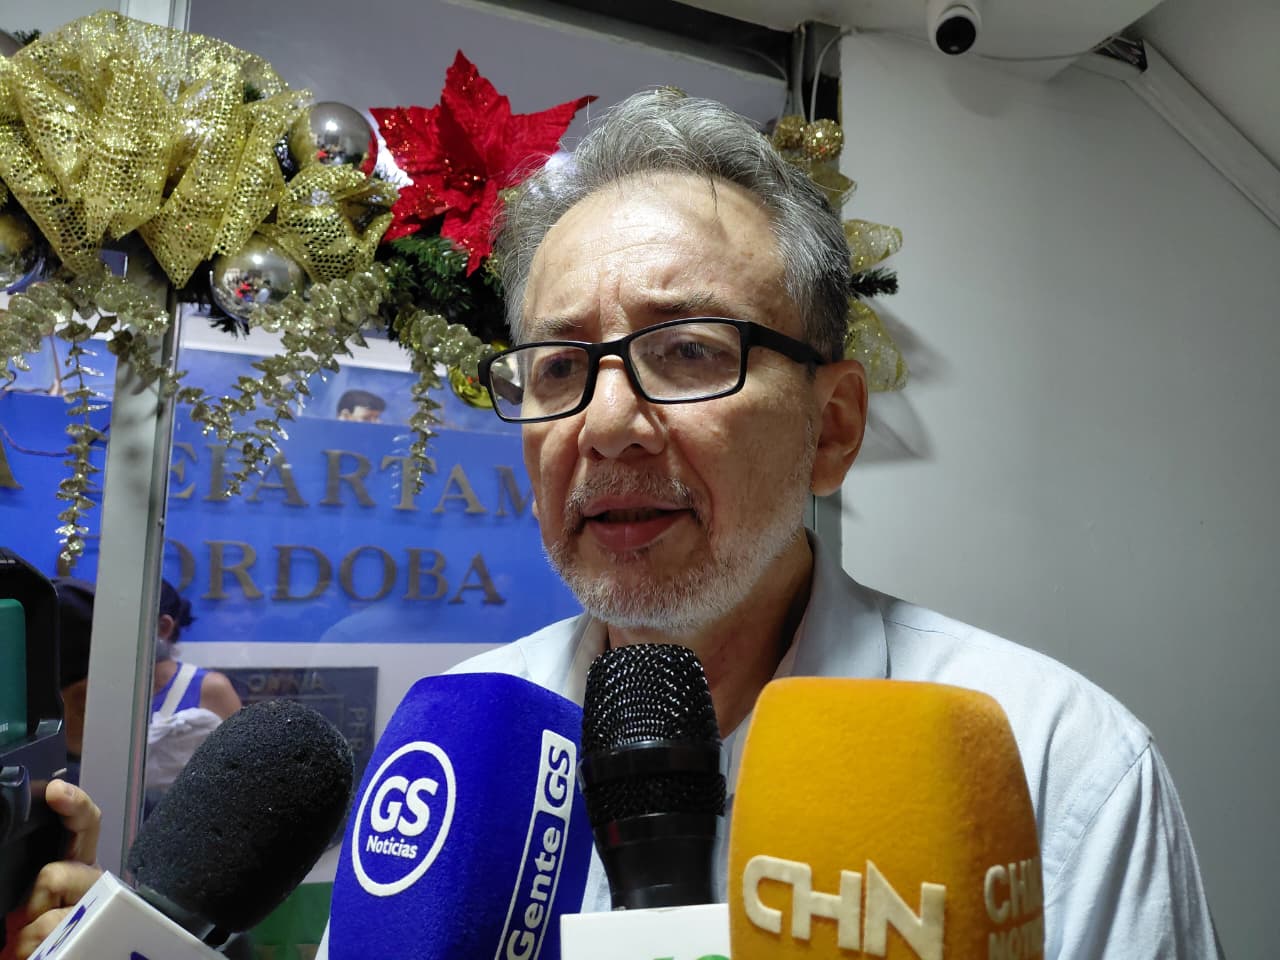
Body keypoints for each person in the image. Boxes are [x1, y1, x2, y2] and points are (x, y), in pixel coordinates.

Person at [6, 90, 1221, 959]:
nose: (609, 424)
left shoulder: (1049, 760)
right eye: (554, 367)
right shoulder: (454, 754)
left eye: (688, 351)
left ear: (833, 426)